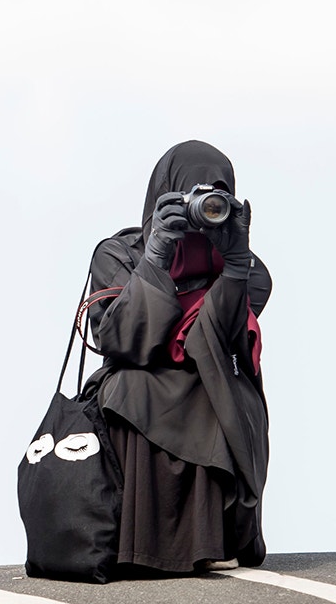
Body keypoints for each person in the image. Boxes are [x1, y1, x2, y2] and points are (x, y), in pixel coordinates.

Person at [82, 140, 271, 574]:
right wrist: (157, 256)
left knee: (218, 390)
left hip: (212, 379)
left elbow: (219, 340)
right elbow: (121, 340)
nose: (205, 206)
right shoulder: (119, 253)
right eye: (193, 194)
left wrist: (235, 263)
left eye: (217, 195)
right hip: (137, 375)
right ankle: (138, 545)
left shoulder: (246, 267)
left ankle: (211, 540)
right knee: (130, 388)